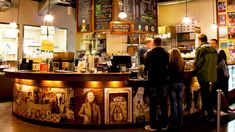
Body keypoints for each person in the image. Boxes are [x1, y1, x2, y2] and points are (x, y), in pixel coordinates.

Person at [144, 38, 169, 131]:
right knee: (163, 103)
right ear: (161, 43)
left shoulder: (150, 54)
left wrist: (145, 72)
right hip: (163, 81)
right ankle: (164, 125)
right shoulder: (166, 54)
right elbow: (168, 67)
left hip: (153, 81)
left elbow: (146, 68)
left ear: (154, 43)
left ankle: (153, 125)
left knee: (153, 103)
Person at [194, 34, 218, 121]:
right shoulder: (213, 49)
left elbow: (198, 63)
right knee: (207, 93)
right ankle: (208, 113)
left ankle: (208, 114)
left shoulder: (201, 49)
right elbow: (216, 61)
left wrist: (194, 69)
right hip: (211, 74)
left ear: (200, 40)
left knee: (205, 94)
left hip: (202, 74)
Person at [168, 48, 185, 130]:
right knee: (180, 103)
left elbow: (167, 73)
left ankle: (174, 124)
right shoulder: (182, 62)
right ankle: (181, 122)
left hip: (172, 84)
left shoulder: (169, 62)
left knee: (173, 104)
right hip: (180, 84)